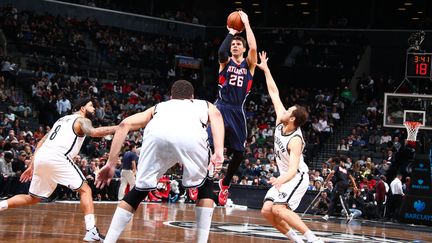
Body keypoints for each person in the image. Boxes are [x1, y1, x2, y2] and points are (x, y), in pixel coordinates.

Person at [95, 80, 224, 243]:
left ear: (171, 97)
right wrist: (219, 151)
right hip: (191, 138)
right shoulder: (202, 104)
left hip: (157, 136)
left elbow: (124, 124)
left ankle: (109, 240)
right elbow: (218, 115)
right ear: (192, 97)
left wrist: (111, 163)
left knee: (138, 191)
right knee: (206, 185)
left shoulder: (158, 107)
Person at [0, 98, 118, 241]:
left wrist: (32, 164)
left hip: (42, 156)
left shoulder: (61, 120)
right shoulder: (82, 120)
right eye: (91, 106)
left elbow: (42, 141)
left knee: (33, 198)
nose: (94, 109)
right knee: (85, 190)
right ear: (82, 108)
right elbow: (93, 132)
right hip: (57, 157)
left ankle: (1, 205)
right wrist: (121, 127)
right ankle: (91, 231)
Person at [256, 51, 323, 243]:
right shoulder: (281, 120)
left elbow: (293, 170)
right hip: (284, 177)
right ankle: (296, 239)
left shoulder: (295, 140)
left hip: (296, 177)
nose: (284, 110)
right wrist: (266, 69)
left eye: (288, 110)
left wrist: (280, 179)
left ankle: (312, 239)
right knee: (267, 211)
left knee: (279, 208)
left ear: (292, 118)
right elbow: (274, 93)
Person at [204, 10, 257, 206]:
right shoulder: (224, 62)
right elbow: (221, 52)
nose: (235, 45)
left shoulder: (249, 64)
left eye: (238, 44)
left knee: (240, 153)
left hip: (237, 110)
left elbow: (253, 46)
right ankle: (202, 181)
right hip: (221, 107)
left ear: (243, 49)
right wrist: (231, 33)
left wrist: (247, 25)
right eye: (233, 43)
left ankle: (225, 184)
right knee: (207, 145)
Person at [322, 156, 358, 224]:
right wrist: (355, 186)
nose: (331, 164)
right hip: (344, 185)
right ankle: (327, 215)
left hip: (340, 184)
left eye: (331, 163)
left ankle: (349, 214)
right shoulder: (346, 170)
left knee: (341, 199)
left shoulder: (337, 166)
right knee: (333, 200)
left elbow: (331, 173)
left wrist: (325, 182)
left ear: (334, 162)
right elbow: (352, 178)